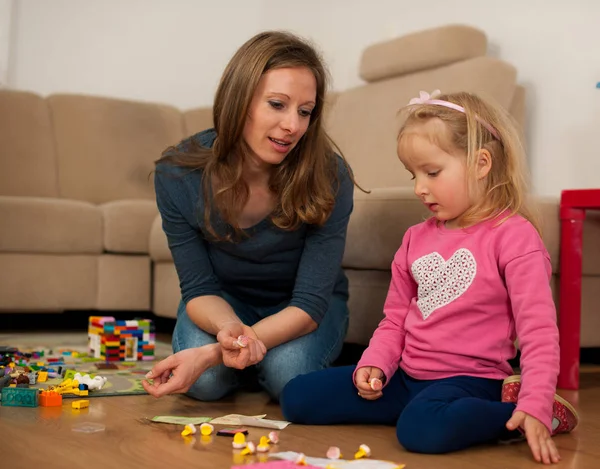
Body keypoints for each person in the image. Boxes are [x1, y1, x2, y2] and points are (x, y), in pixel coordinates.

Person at [280, 90, 579, 464]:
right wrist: (375, 364)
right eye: (414, 174)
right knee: (296, 396)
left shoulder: (514, 237)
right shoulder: (414, 239)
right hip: (405, 377)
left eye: (432, 172)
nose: (420, 187)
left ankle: (527, 414)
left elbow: (539, 332)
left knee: (421, 430)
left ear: (481, 163)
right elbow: (395, 320)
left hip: (470, 382)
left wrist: (535, 402)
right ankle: (419, 409)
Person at [141, 30, 359, 403]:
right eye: (277, 104)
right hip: (223, 303)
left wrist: (214, 352)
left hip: (298, 307)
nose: (293, 126)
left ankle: (248, 363)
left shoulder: (329, 174)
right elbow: (198, 289)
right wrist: (227, 328)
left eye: (305, 111)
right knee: (204, 384)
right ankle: (246, 363)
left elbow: (308, 306)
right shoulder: (177, 174)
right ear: (239, 100)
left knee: (288, 377)